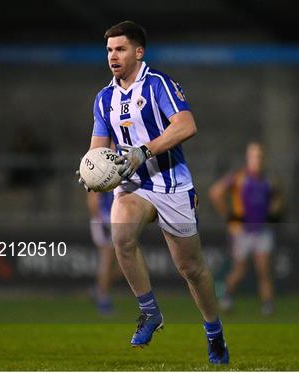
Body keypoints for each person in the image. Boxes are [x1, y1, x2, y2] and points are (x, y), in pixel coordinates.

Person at [76, 21, 229, 364]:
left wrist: (143, 151)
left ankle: (214, 332)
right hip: (133, 186)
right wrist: (91, 171)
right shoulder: (104, 99)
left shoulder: (159, 84)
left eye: (120, 49)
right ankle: (150, 312)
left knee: (191, 268)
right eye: (109, 50)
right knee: (122, 236)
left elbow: (187, 125)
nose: (112, 56)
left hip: (172, 185)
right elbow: (98, 149)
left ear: (138, 52)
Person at [208, 142, 282, 316]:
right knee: (239, 269)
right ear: (248, 158)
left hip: (262, 229)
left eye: (260, 156)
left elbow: (278, 198)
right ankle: (226, 296)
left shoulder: (269, 179)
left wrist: (274, 211)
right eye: (254, 156)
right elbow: (216, 192)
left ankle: (268, 304)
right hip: (242, 231)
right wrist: (228, 216)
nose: (258, 160)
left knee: (264, 268)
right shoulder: (239, 177)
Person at [87, 191, 121, 316]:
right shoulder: (98, 173)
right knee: (106, 260)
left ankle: (99, 289)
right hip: (105, 221)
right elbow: (93, 198)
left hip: (114, 220)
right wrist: (102, 221)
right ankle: (103, 299)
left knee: (122, 266)